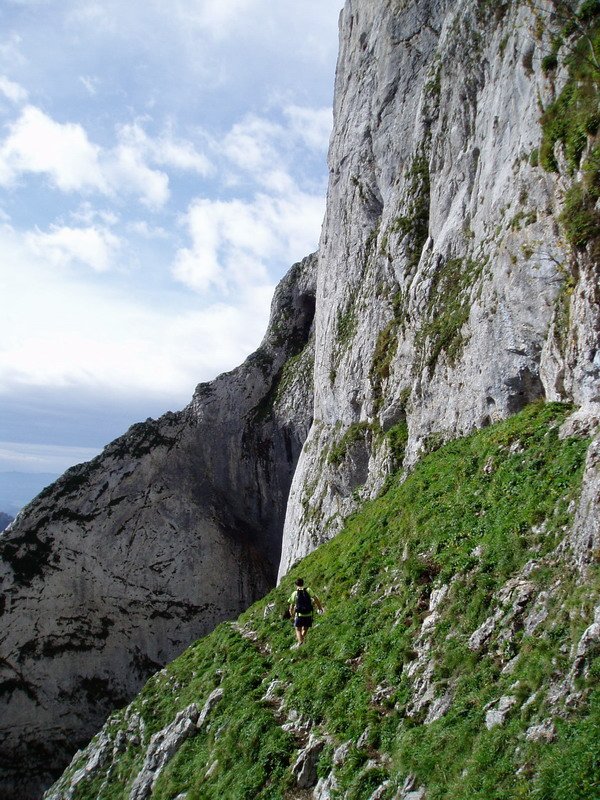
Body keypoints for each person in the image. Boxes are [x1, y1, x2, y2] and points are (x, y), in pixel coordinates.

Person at [287, 578, 324, 646]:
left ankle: (301, 643)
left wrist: (292, 614)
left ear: (296, 585)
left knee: (298, 630)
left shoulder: (294, 593)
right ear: (303, 583)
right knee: (305, 629)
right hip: (309, 614)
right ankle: (301, 642)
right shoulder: (308, 590)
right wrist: (320, 608)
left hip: (299, 615)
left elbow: (291, 607)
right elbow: (315, 599)